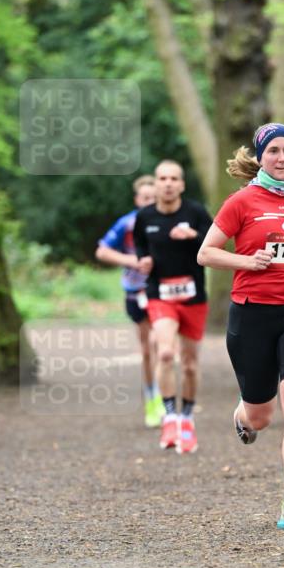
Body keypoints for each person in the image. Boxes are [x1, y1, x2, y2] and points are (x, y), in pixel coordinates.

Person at [197, 122, 284, 529]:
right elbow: (206, 254)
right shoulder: (241, 202)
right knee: (262, 416)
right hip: (252, 313)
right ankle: (243, 416)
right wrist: (247, 261)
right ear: (260, 157)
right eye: (273, 151)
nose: (282, 158)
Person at [133, 160, 213, 454]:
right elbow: (141, 246)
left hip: (193, 297)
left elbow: (217, 242)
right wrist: (144, 261)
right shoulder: (145, 216)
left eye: (173, 178)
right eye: (162, 178)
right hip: (160, 294)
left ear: (181, 184)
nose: (167, 183)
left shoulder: (195, 213)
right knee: (165, 353)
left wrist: (194, 236)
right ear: (155, 184)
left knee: (190, 365)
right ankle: (169, 417)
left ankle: (187, 419)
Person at [95, 175, 165, 428]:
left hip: (163, 291)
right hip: (136, 292)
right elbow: (102, 250)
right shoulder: (126, 224)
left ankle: (164, 398)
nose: (150, 202)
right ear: (137, 200)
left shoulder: (167, 221)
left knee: (161, 344)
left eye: (154, 198)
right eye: (145, 198)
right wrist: (131, 261)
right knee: (147, 349)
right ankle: (151, 398)